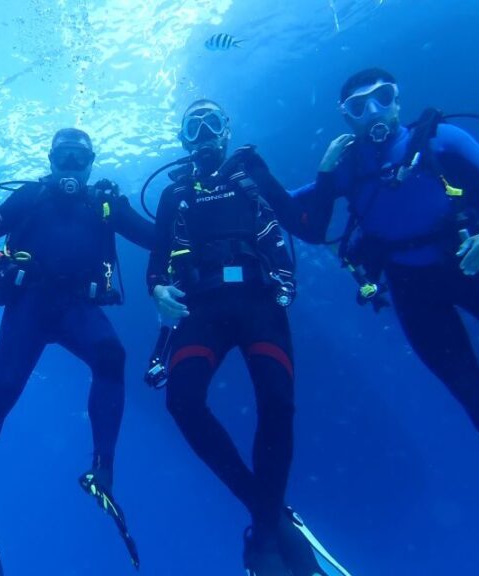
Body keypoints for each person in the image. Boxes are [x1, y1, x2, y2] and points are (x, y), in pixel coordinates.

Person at [147, 99, 348, 576]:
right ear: (182, 140)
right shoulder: (174, 196)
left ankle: (263, 540)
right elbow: (156, 264)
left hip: (260, 301)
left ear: (226, 130)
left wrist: (323, 177)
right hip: (202, 307)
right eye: (192, 128)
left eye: (210, 124)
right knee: (182, 402)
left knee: (277, 405)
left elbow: (310, 228)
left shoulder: (251, 173)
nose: (202, 135)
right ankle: (269, 513)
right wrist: (156, 289)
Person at [0, 128, 154, 573]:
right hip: (29, 303)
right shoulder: (31, 196)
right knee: (2, 391)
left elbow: (153, 236)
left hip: (78, 306)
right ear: (50, 160)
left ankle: (103, 470)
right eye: (62, 157)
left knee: (111, 355)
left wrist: (125, 206)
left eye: (78, 158)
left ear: (90, 163)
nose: (69, 165)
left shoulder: (103, 203)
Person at [263, 68, 479, 447]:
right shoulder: (347, 167)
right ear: (347, 116)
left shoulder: (440, 137)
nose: (373, 111)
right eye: (359, 105)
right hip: (412, 289)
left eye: (383, 98)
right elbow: (292, 201)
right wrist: (240, 188)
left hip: (469, 259)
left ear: (398, 101)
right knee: (470, 391)